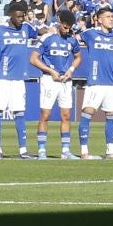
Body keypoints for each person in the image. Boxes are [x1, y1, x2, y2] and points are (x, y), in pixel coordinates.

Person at [0, 0, 39, 158]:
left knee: (19, 113)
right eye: (18, 16)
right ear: (11, 16)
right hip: (2, 78)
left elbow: (39, 32)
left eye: (23, 16)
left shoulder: (26, 29)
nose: (21, 19)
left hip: (19, 79)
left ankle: (23, 151)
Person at [77, 5, 113, 160]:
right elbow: (74, 38)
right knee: (87, 113)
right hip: (95, 82)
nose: (112, 19)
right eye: (108, 17)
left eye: (112, 17)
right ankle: (84, 151)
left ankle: (110, 151)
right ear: (98, 19)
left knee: (112, 115)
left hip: (111, 83)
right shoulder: (90, 33)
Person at [32, 9, 82, 160]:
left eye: (70, 28)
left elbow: (78, 57)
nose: (67, 30)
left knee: (66, 116)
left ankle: (65, 151)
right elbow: (33, 59)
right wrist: (50, 71)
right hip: (49, 80)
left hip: (65, 81)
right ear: (60, 23)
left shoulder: (72, 40)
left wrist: (71, 70)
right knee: (45, 115)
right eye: (65, 27)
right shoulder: (48, 38)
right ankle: (41, 150)